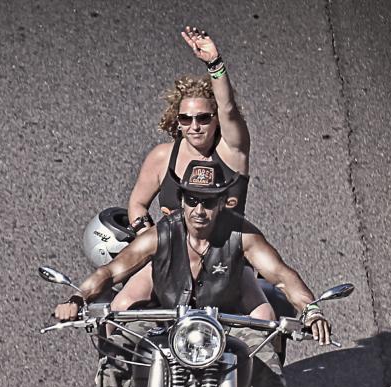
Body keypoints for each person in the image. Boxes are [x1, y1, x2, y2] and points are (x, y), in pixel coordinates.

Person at [55, 160, 331, 387]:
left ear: (223, 202)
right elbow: (112, 270)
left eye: (209, 201)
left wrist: (310, 309)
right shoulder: (163, 233)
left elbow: (280, 275)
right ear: (182, 200)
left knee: (269, 369)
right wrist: (78, 297)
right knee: (116, 353)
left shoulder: (240, 236)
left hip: (226, 325)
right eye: (192, 200)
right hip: (167, 320)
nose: (200, 210)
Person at [115, 26, 273, 319]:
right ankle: (112, 366)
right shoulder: (163, 157)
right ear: (177, 120)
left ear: (215, 120)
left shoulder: (232, 153)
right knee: (121, 308)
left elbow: (228, 108)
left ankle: (262, 367)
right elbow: (137, 204)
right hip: (171, 257)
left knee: (265, 319)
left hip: (226, 257)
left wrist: (215, 65)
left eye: (203, 117)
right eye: (186, 118)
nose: (194, 126)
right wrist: (148, 234)